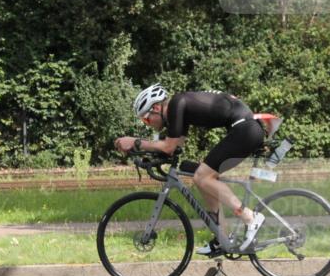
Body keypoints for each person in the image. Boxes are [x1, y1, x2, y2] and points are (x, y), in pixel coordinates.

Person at [114, 84, 266, 256]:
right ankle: (222, 238)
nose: (148, 125)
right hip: (245, 129)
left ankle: (250, 218)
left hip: (245, 130)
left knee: (203, 177)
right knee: (200, 175)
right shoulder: (179, 108)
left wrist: (136, 142)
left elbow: (169, 147)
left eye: (146, 119)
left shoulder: (176, 104)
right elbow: (175, 147)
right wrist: (146, 154)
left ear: (156, 107)